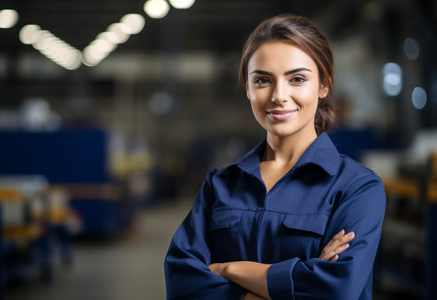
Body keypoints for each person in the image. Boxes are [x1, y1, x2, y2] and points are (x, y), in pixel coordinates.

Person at [164, 14, 385, 300]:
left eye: (297, 79)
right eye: (263, 80)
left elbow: (337, 290)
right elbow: (182, 282)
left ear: (323, 85)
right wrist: (297, 280)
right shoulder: (221, 185)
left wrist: (231, 269)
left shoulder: (356, 188)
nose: (279, 95)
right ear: (248, 89)